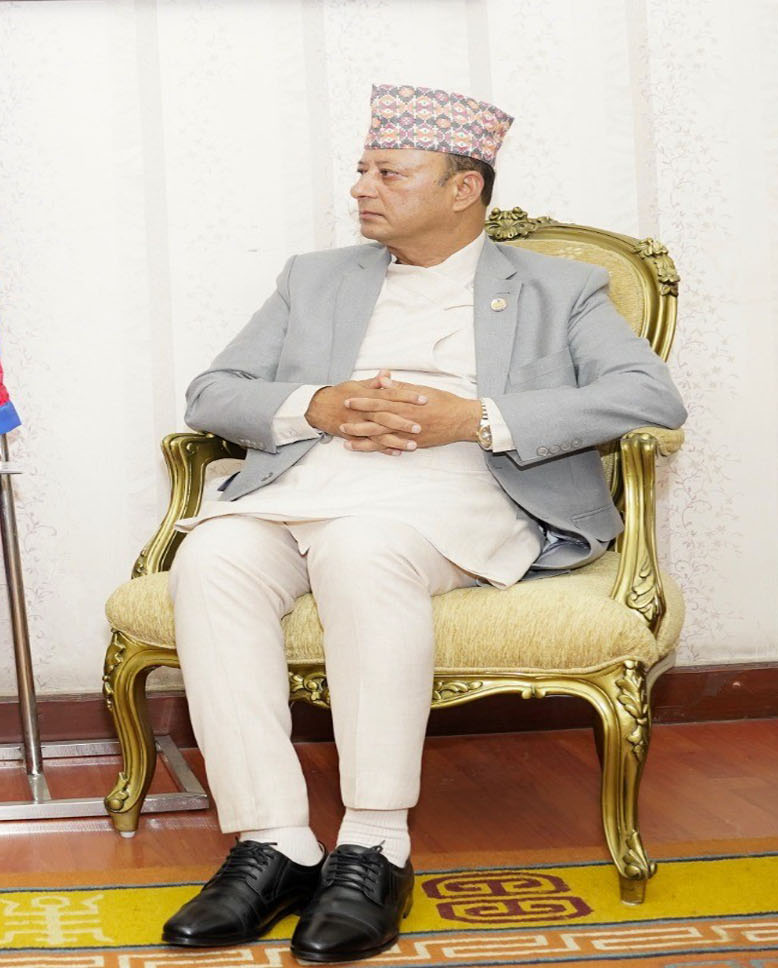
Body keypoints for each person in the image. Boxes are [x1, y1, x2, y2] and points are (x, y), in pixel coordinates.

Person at [159, 84, 686, 963]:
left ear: (462, 188)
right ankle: (274, 842)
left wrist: (475, 418)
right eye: (362, 169)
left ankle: (374, 844)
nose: (361, 187)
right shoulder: (315, 278)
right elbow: (213, 391)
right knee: (212, 556)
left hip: (462, 481)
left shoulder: (560, 288)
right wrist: (317, 405)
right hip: (313, 473)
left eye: (388, 172)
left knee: (363, 549)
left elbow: (649, 396)